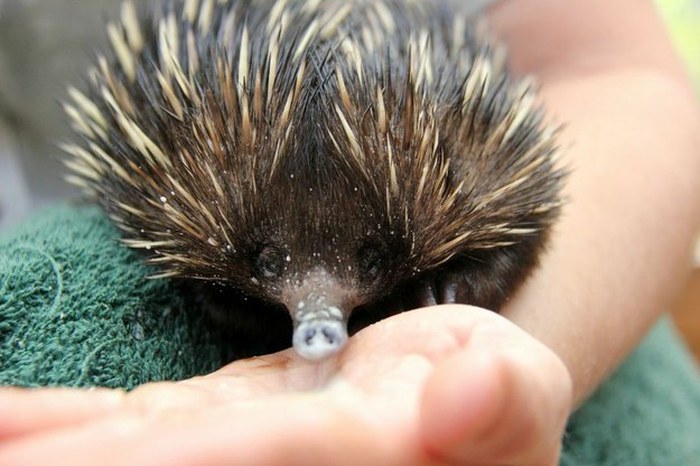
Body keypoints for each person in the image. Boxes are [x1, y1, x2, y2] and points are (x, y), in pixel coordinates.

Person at [1, 0, 699, 464]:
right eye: (270, 258)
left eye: (368, 256)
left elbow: (617, 76)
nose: (318, 322)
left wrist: (498, 319)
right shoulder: (176, 169)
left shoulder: (465, 158)